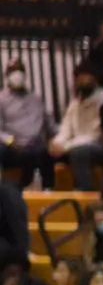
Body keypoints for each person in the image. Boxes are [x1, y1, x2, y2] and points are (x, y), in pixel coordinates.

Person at [49, 65, 103, 193]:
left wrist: (66, 147)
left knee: (80, 152)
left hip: (98, 146)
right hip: (74, 145)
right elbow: (66, 129)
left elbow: (95, 134)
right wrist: (57, 143)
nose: (82, 81)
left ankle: (86, 191)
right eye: (79, 78)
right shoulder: (75, 103)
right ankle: (49, 188)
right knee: (46, 152)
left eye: (86, 77)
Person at [0, 59, 52, 189]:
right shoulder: (1, 99)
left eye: (20, 71)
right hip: (13, 146)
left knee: (45, 152)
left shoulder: (36, 98)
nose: (17, 74)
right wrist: (11, 142)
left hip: (35, 145)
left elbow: (48, 124)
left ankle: (48, 190)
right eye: (13, 71)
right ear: (7, 75)